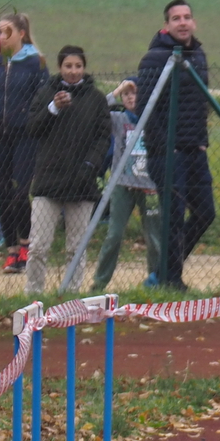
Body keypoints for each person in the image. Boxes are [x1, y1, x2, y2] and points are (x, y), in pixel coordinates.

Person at [134, 0, 214, 287]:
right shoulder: (155, 58)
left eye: (187, 17)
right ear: (166, 25)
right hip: (167, 154)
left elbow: (202, 102)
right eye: (176, 18)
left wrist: (202, 141)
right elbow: (144, 108)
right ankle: (171, 282)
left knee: (206, 213)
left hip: (195, 150)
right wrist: (166, 147)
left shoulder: (198, 55)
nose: (183, 22)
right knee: (174, 217)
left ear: (194, 22)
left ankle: (163, 272)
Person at [24, 45, 112, 297]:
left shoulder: (96, 99)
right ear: (60, 67)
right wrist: (52, 108)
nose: (73, 71)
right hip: (49, 180)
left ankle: (72, 295)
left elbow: (103, 136)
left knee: (76, 247)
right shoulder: (46, 93)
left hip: (82, 182)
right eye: (68, 66)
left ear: (84, 67)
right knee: (38, 246)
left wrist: (90, 165)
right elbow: (32, 128)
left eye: (78, 66)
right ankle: (33, 294)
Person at [0, 12, 47, 273]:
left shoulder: (36, 63)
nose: (1, 37)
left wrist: (34, 125)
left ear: (21, 34)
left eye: (6, 32)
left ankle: (26, 245)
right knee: (2, 192)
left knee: (19, 193)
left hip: (25, 137)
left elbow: (42, 100)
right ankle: (11, 251)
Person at [90, 79, 159, 292]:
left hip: (150, 186)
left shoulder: (155, 118)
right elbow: (97, 110)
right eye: (126, 94)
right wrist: (117, 90)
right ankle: (99, 283)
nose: (130, 97)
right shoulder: (119, 119)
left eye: (134, 93)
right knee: (114, 235)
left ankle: (156, 280)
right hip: (122, 184)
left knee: (154, 237)